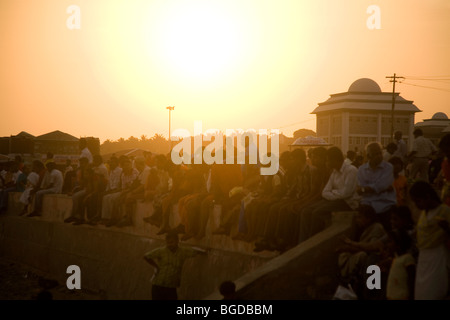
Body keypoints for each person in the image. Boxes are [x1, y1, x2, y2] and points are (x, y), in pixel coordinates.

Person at [298, 147, 360, 243]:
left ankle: (311, 242)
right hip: (334, 200)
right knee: (306, 211)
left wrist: (333, 193)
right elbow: (325, 192)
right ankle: (302, 242)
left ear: (334, 160)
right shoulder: (334, 172)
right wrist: (335, 193)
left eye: (328, 160)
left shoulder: (351, 170)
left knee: (316, 212)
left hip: (348, 203)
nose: (326, 162)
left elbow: (346, 194)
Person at [409, 181, 450, 300]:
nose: (417, 205)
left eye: (418, 201)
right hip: (423, 257)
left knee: (434, 292)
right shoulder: (423, 213)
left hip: (438, 255)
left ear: (427, 197)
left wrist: (447, 229)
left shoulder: (445, 211)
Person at [143, 232, 208, 300]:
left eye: (171, 242)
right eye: (168, 243)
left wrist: (204, 251)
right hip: (158, 285)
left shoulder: (182, 251)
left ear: (177, 241)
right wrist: (156, 266)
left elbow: (193, 250)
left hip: (171, 286)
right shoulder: (161, 251)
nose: (169, 245)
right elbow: (146, 256)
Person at [357, 142, 397, 232]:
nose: (379, 156)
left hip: (385, 205)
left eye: (380, 153)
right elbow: (361, 189)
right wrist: (378, 188)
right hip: (367, 205)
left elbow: (382, 185)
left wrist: (366, 189)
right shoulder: (361, 170)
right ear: (368, 156)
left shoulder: (388, 167)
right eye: (375, 154)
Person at [385, 229, 416, 300]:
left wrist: (411, 296)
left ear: (399, 244)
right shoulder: (395, 259)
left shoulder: (407, 258)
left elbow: (411, 279)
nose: (387, 245)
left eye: (390, 242)